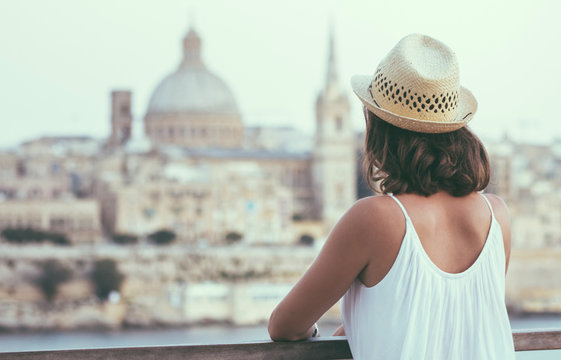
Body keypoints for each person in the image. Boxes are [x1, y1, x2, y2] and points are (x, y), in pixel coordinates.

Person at [268, 34, 516, 359]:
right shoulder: (497, 215)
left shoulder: (375, 218)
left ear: (380, 128)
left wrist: (321, 337)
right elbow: (445, 312)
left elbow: (285, 325)